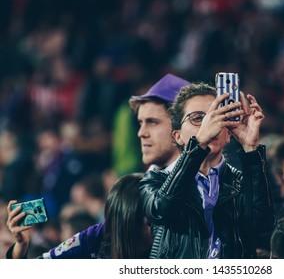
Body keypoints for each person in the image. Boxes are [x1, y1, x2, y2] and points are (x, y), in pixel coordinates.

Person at [5, 73, 190, 259]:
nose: (141, 133)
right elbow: (96, 239)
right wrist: (21, 249)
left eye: (153, 122)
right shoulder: (136, 189)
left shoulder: (209, 188)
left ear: (184, 128)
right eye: (140, 123)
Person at [140, 83, 275, 259]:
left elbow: (262, 231)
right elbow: (163, 211)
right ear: (178, 136)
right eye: (198, 118)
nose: (210, 125)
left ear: (228, 134)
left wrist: (250, 148)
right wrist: (199, 144)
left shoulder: (243, 181)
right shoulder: (155, 180)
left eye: (217, 117)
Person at [6, 173, 153, 258]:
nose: (159, 226)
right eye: (151, 219)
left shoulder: (173, 238)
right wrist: (21, 246)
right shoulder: (95, 237)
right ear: (128, 218)